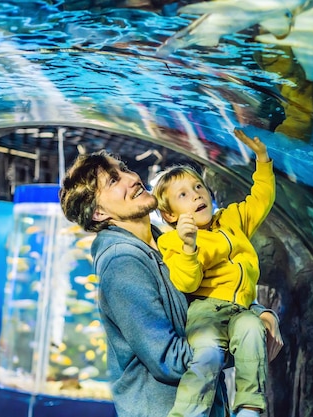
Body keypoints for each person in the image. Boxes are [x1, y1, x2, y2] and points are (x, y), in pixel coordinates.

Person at [58, 143, 283, 417]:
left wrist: (261, 314)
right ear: (99, 213)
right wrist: (249, 340)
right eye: (114, 180)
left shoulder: (168, 241)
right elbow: (168, 359)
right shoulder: (122, 263)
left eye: (125, 169)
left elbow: (210, 294)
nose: (133, 178)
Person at [152, 129, 276, 417]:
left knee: (251, 330)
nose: (196, 194)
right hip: (206, 311)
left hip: (242, 309)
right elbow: (186, 282)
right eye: (183, 195)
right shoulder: (173, 240)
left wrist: (262, 160)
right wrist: (189, 247)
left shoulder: (231, 219)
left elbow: (261, 198)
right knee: (207, 357)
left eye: (198, 187)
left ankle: (248, 408)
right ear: (170, 215)